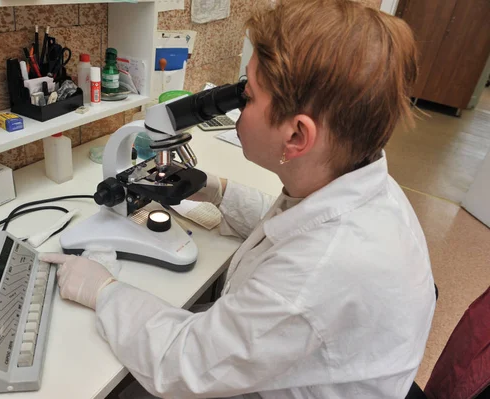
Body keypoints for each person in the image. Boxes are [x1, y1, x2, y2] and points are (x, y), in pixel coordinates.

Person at [40, 0, 437, 397]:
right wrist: (216, 190)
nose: (233, 104)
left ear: (297, 137)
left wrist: (105, 291)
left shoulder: (315, 274)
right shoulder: (359, 179)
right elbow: (293, 227)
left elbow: (183, 365)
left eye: (245, 96)